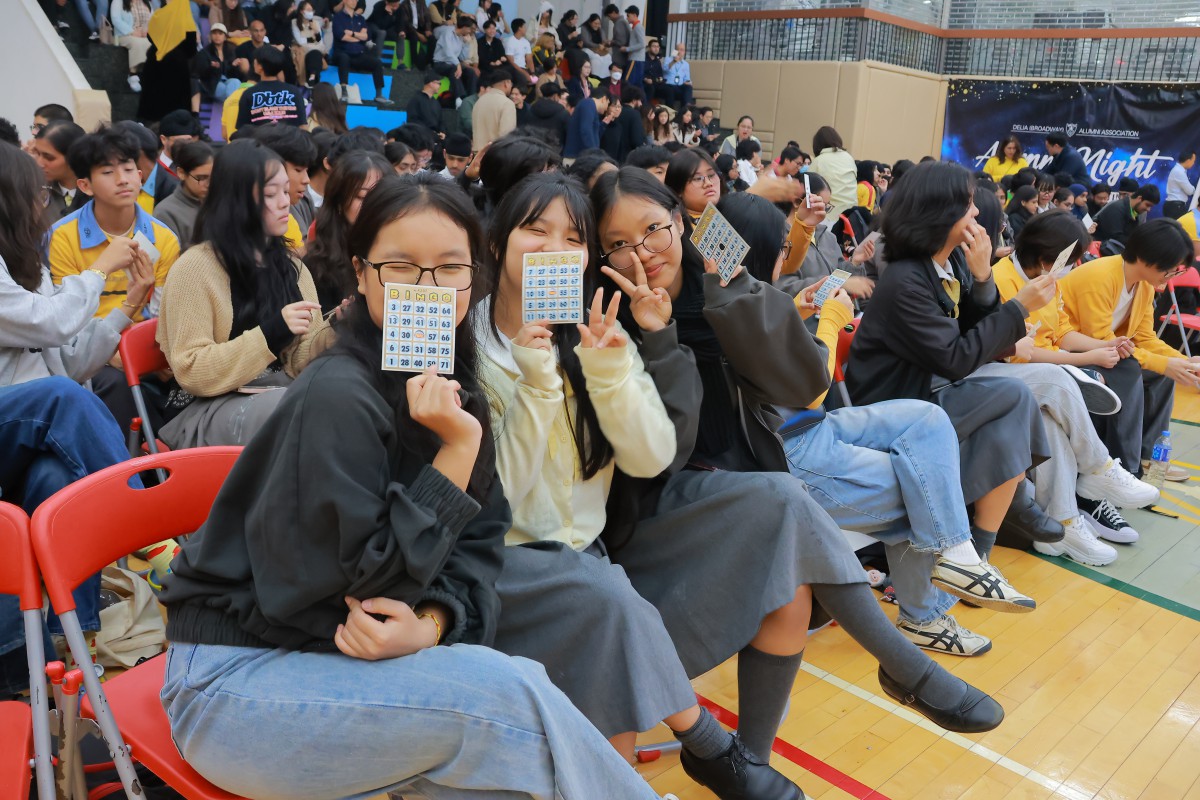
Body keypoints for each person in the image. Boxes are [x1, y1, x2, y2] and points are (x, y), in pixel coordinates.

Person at [156, 171, 666, 800]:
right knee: (509, 694)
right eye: (401, 266)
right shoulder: (335, 393)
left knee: (507, 764)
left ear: (473, 278)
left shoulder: (454, 387)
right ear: (362, 274)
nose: (428, 288)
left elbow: (480, 547)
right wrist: (456, 452)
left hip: (340, 666)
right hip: (235, 684)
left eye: (450, 267)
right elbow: (358, 593)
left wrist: (431, 622)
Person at [589, 167, 1005, 750]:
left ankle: (751, 763)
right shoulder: (609, 318)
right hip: (669, 492)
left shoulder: (720, 274)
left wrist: (738, 293)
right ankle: (907, 658)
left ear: (680, 221)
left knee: (792, 589)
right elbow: (664, 454)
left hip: (756, 457)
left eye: (653, 230)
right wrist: (657, 337)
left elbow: (805, 383)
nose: (641, 252)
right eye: (618, 243)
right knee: (793, 504)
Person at [481, 172, 804, 797]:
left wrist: (608, 368)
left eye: (572, 238)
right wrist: (537, 385)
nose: (554, 250)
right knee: (609, 601)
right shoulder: (468, 345)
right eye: (534, 230)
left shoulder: (599, 330)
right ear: (497, 242)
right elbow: (495, 506)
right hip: (506, 566)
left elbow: (653, 456)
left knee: (784, 532)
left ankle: (726, 755)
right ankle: (711, 745)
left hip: (591, 555)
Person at [846, 160, 1062, 588]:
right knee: (1016, 397)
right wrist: (1019, 306)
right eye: (968, 205)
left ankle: (976, 556)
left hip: (927, 396)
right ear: (940, 213)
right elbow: (957, 358)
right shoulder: (906, 280)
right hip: (891, 411)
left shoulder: (947, 265)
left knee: (1006, 426)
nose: (977, 213)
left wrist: (983, 277)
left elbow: (972, 333)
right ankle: (1002, 520)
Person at [155, 139, 334, 449]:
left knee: (344, 395)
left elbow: (300, 360)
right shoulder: (194, 268)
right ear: (234, 201)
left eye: (285, 191)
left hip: (278, 394)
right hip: (206, 406)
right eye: (270, 194)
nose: (285, 203)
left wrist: (336, 330)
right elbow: (192, 371)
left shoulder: (291, 266)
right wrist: (271, 333)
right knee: (298, 409)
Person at [1060, 218, 1198, 483]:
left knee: (1161, 373)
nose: (1172, 274)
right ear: (1149, 258)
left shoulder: (1143, 285)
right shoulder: (1100, 277)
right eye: (1172, 268)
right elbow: (1102, 341)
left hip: (1106, 351)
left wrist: (1184, 362)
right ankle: (1126, 466)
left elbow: (1145, 338)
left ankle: (1148, 457)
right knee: (1131, 369)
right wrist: (1164, 363)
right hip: (1073, 352)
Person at [48, 127, 180, 326]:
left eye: (128, 170)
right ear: (85, 186)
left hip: (141, 340)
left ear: (140, 177)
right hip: (82, 340)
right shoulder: (62, 236)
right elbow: (66, 314)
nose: (123, 180)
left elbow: (161, 318)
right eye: (108, 172)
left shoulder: (164, 238)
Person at [304, 150, 391, 312]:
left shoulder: (405, 254)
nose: (372, 204)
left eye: (380, 196)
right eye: (361, 197)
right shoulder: (317, 264)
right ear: (339, 201)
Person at [152, 140, 213, 250]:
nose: (208, 184)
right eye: (201, 178)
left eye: (212, 177)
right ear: (181, 173)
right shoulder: (165, 212)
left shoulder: (219, 203)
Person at [331, 0, 393, 104]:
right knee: (344, 58)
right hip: (342, 51)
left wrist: (352, 34)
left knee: (377, 62)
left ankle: (379, 95)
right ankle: (344, 91)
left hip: (358, 53)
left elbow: (365, 37)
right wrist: (358, 37)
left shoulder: (360, 18)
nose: (354, 2)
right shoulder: (338, 17)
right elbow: (342, 36)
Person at [236, 45, 310, 128]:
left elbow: (243, 130)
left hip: (260, 136)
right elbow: (303, 126)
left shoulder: (249, 94)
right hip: (290, 136)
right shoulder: (294, 92)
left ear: (259, 67)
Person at [32, 120, 87, 232]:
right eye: (37, 153)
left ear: (74, 157)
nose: (39, 163)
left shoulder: (100, 193)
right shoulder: (33, 191)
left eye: (49, 157)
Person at [192, 22, 243, 111]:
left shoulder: (230, 50)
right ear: (211, 36)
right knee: (224, 88)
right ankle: (233, 109)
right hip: (212, 83)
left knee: (236, 82)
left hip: (226, 80)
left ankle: (231, 106)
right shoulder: (204, 53)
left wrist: (233, 65)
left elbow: (230, 72)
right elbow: (198, 74)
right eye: (214, 33)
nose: (217, 36)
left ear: (225, 36)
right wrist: (211, 67)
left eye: (220, 33)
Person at [112, 0, 159, 92]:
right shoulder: (118, 1)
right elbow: (116, 19)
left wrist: (147, 31)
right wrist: (132, 31)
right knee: (138, 43)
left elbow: (153, 20)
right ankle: (133, 74)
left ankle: (149, 75)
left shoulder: (147, 3)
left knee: (154, 45)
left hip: (144, 35)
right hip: (124, 34)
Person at [1093, 184, 1159, 249]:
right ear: (1139, 198)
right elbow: (1115, 238)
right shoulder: (1117, 209)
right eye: (1147, 205)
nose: (1148, 209)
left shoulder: (1134, 212)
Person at [810, 125, 857, 212]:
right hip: (852, 211)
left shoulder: (818, 161)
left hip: (830, 213)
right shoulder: (849, 158)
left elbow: (808, 186)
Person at [433, 14, 478, 99]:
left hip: (453, 64)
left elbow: (463, 57)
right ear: (464, 27)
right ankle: (459, 98)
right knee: (454, 69)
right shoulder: (448, 32)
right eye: (469, 29)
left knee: (471, 72)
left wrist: (466, 44)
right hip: (440, 63)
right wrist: (458, 64)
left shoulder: (461, 37)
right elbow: (448, 51)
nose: (470, 32)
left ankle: (471, 98)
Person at [471, 70, 517, 151]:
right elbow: (506, 136)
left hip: (477, 154)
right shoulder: (507, 103)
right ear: (506, 83)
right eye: (511, 84)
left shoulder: (479, 102)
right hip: (495, 154)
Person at [564, 90, 612, 162]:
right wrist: (594, 153)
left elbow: (594, 134)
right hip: (577, 158)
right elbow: (586, 130)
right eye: (608, 103)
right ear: (604, 99)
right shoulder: (588, 104)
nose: (606, 108)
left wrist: (603, 124)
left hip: (583, 158)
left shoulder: (591, 108)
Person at [291, 0, 328, 87]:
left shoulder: (315, 23)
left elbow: (320, 42)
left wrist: (316, 31)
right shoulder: (295, 22)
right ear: (301, 11)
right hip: (301, 50)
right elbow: (301, 42)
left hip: (314, 51)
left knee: (315, 54)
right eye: (308, 10)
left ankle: (312, 77)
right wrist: (313, 38)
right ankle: (313, 80)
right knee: (316, 53)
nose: (311, 12)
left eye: (312, 10)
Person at [528, 82, 570, 149]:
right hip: (555, 149)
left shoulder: (532, 109)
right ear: (555, 96)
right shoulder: (562, 112)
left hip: (534, 148)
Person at [407, 70, 448, 134]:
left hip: (434, 135)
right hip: (420, 135)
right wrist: (429, 132)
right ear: (431, 83)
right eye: (439, 83)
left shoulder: (436, 102)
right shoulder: (416, 100)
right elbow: (413, 120)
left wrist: (442, 132)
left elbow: (441, 121)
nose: (440, 86)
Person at [399, 0, 433, 68]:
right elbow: (406, 23)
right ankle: (414, 63)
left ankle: (429, 63)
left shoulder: (421, 2)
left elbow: (427, 17)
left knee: (432, 38)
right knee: (414, 37)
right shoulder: (404, 4)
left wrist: (428, 29)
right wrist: (419, 35)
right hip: (409, 30)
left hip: (420, 28)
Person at [1164, 150, 1197, 220]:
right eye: (1193, 161)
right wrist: (1196, 190)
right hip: (1175, 207)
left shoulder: (1179, 170)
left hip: (1174, 206)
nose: (1193, 163)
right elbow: (1190, 191)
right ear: (1188, 161)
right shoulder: (1179, 172)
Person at [579, 12, 612, 79]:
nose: (597, 25)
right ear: (590, 22)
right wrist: (597, 45)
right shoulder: (584, 28)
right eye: (595, 23)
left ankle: (605, 78)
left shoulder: (600, 30)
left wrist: (607, 44)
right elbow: (586, 42)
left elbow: (603, 40)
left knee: (608, 56)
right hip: (587, 48)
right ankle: (595, 77)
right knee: (596, 57)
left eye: (598, 23)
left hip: (599, 50)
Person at [663, 42, 692, 109]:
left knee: (688, 87)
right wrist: (673, 61)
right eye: (678, 49)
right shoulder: (668, 59)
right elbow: (665, 69)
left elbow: (687, 79)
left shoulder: (686, 64)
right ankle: (670, 110)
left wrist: (688, 82)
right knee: (670, 89)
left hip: (679, 86)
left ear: (684, 52)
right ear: (675, 50)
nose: (679, 51)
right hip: (669, 86)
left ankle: (686, 108)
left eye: (682, 50)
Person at [504, 17, 534, 82]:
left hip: (524, 68)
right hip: (514, 69)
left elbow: (529, 59)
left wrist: (532, 72)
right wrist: (524, 73)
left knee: (536, 79)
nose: (526, 29)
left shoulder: (526, 42)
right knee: (523, 79)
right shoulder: (510, 41)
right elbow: (511, 62)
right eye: (524, 27)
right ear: (519, 28)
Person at [603, 3, 630, 75]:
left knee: (617, 78)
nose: (609, 19)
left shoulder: (619, 23)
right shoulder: (622, 22)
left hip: (620, 58)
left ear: (614, 13)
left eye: (609, 16)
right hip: (624, 58)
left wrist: (610, 42)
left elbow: (621, 41)